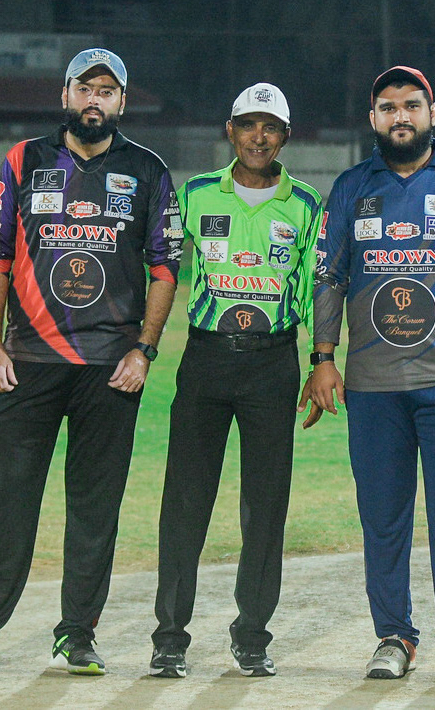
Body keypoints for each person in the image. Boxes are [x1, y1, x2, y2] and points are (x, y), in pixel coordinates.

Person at [0, 48, 182, 678]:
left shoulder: (148, 170)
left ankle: (78, 633)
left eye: (106, 90)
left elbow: (164, 269)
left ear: (122, 101)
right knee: (6, 505)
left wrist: (144, 349)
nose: (93, 100)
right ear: (65, 94)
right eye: (84, 88)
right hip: (27, 362)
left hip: (111, 370)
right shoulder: (24, 161)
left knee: (95, 511)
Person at [300, 65, 435, 684]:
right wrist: (323, 359)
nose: (401, 116)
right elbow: (329, 276)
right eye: (389, 107)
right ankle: (394, 636)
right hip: (372, 390)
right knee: (383, 521)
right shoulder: (351, 188)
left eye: (412, 105)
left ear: (432, 113)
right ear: (373, 118)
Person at [148, 83, 323, 679]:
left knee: (266, 506)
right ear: (231, 130)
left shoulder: (306, 204)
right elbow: (164, 268)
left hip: (273, 364)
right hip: (207, 361)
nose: (258, 137)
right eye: (248, 124)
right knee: (185, 501)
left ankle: (252, 635)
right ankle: (170, 638)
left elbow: (317, 288)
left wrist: (321, 358)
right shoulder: (196, 194)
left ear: (285, 136)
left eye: (270, 127)